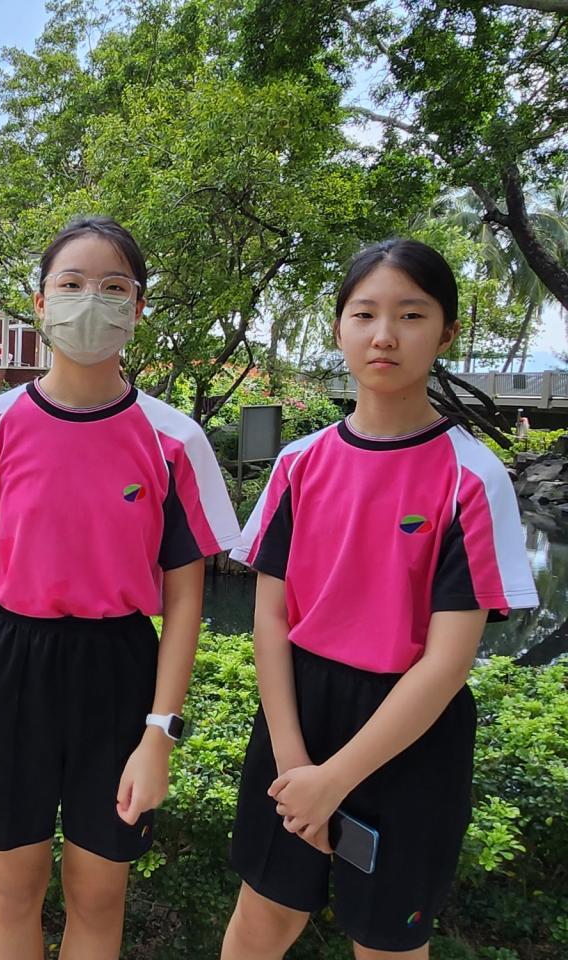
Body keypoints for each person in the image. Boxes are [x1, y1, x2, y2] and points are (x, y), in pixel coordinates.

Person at [0, 215, 240, 958]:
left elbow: (186, 599)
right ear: (41, 302)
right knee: (13, 887)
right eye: (71, 284)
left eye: (113, 287)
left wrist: (159, 733)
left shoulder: (174, 440)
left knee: (98, 894)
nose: (90, 301)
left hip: (119, 673)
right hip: (13, 666)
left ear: (138, 307)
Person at [220, 239, 538, 959]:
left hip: (410, 734)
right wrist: (295, 762)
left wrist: (334, 780)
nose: (384, 335)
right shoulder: (299, 465)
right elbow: (270, 617)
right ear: (339, 328)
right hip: (298, 715)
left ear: (447, 332)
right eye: (364, 314)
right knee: (261, 922)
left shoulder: (471, 478)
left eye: (411, 315)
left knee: (387, 943)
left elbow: (447, 662)